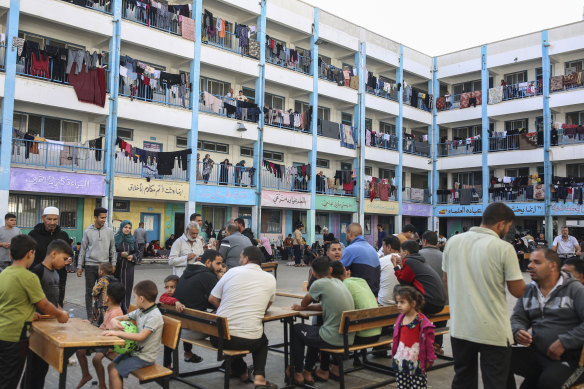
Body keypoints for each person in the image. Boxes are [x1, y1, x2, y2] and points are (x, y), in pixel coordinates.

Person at [442, 202, 526, 389]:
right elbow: (517, 290)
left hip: (461, 327)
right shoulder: (503, 248)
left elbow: (446, 280)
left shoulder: (453, 242)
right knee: (496, 382)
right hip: (493, 330)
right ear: (501, 224)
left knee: (463, 379)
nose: (507, 231)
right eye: (508, 227)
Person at [509, 249, 584, 388]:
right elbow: (517, 318)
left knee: (548, 382)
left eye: (536, 262)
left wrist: (564, 342)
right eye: (530, 261)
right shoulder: (530, 291)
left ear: (552, 266)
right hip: (538, 354)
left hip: (570, 358)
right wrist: (517, 330)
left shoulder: (574, 289)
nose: (530, 266)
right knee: (499, 359)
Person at [0, 235, 68, 389]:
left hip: (2, 332)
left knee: (3, 377)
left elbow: (11, 303)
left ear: (10, 254)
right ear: (30, 254)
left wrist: (30, 313)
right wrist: (60, 314)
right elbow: (44, 304)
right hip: (15, 336)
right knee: (9, 381)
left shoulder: (4, 274)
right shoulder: (29, 277)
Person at [208, 246, 277, 388]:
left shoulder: (232, 272)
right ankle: (259, 378)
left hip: (219, 338)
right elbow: (265, 307)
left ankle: (240, 370)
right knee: (261, 341)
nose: (239, 260)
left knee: (234, 331)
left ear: (246, 258)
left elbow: (212, 299)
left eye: (240, 257)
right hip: (250, 340)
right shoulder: (270, 278)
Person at [290, 257, 355, 384]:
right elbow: (324, 304)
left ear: (313, 273)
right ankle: (307, 372)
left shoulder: (319, 283)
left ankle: (298, 372)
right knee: (314, 332)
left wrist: (303, 307)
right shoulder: (338, 282)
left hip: (333, 338)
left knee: (296, 329)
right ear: (330, 269)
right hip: (348, 337)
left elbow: (305, 301)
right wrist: (307, 307)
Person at [25, 239, 74, 388]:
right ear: (53, 253)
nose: (66, 262)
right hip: (34, 328)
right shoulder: (37, 271)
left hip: (48, 326)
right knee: (31, 368)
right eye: (64, 258)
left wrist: (61, 311)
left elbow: (54, 301)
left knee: (42, 367)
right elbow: (27, 298)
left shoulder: (57, 274)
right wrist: (30, 313)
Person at [104, 280, 164, 389]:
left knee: (114, 372)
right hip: (134, 353)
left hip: (145, 357)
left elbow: (141, 336)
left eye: (135, 297)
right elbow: (124, 317)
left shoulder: (154, 316)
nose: (134, 299)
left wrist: (116, 332)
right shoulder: (141, 310)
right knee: (111, 367)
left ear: (141, 299)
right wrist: (114, 320)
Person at [172, 250, 224, 365]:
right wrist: (221, 280)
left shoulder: (187, 271)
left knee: (193, 310)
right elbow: (220, 301)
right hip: (194, 330)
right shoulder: (208, 276)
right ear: (208, 262)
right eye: (218, 263)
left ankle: (188, 352)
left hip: (177, 326)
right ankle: (234, 366)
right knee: (228, 322)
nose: (220, 267)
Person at [329, 261, 381, 369]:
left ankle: (334, 367)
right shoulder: (361, 281)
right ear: (346, 270)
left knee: (332, 331)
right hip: (376, 333)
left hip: (362, 336)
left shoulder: (342, 286)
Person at [77, 282, 125, 389]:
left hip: (109, 343)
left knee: (96, 359)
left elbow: (108, 334)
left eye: (104, 295)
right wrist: (91, 325)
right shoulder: (109, 309)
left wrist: (92, 332)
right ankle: (86, 375)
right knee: (80, 350)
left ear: (108, 298)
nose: (103, 297)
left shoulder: (115, 313)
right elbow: (102, 327)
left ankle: (102, 385)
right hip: (102, 339)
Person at [392, 286, 436, 389]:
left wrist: (430, 358)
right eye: (397, 302)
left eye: (402, 302)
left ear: (413, 303)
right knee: (402, 386)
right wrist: (394, 353)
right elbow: (396, 339)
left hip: (417, 363)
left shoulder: (422, 321)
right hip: (401, 362)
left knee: (418, 386)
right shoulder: (400, 318)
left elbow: (429, 343)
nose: (398, 305)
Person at [77, 207, 116, 320]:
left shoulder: (109, 231)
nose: (104, 220)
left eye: (105, 217)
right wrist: (79, 266)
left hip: (105, 266)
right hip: (90, 266)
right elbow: (83, 249)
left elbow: (112, 248)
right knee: (89, 292)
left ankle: (101, 317)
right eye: (101, 217)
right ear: (95, 217)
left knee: (104, 293)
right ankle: (89, 316)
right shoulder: (87, 231)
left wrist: (113, 263)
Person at [29, 206, 70, 308]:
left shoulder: (63, 235)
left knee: (57, 303)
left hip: (59, 276)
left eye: (55, 219)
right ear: (43, 219)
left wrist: (68, 259)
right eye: (49, 219)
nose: (52, 222)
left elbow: (68, 254)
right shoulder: (33, 235)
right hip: (38, 275)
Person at [394, 240, 446, 315]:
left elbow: (403, 282)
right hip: (440, 303)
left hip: (430, 303)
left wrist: (395, 267)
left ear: (406, 252)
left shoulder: (409, 261)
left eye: (400, 252)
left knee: (398, 288)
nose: (399, 254)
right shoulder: (419, 260)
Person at [418, 230, 448, 353]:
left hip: (424, 302)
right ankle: (437, 344)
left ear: (424, 241)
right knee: (440, 321)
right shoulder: (444, 256)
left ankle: (424, 346)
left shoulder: (418, 255)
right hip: (443, 301)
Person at [340, 223, 381, 296]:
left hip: (360, 294)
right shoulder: (372, 249)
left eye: (346, 234)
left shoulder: (350, 249)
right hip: (374, 294)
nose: (346, 237)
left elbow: (339, 272)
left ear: (350, 234)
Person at [114, 220, 136, 313]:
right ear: (121, 227)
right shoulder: (115, 239)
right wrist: (120, 255)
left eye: (129, 228)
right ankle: (116, 310)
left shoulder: (132, 240)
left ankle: (125, 309)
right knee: (117, 290)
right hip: (117, 269)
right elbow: (111, 253)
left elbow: (138, 253)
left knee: (127, 290)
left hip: (128, 269)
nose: (127, 229)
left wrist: (133, 256)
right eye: (125, 227)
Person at [378, 235, 402, 306]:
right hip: (403, 302)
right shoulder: (404, 260)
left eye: (383, 247)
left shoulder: (382, 260)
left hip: (384, 303)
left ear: (389, 247)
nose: (382, 250)